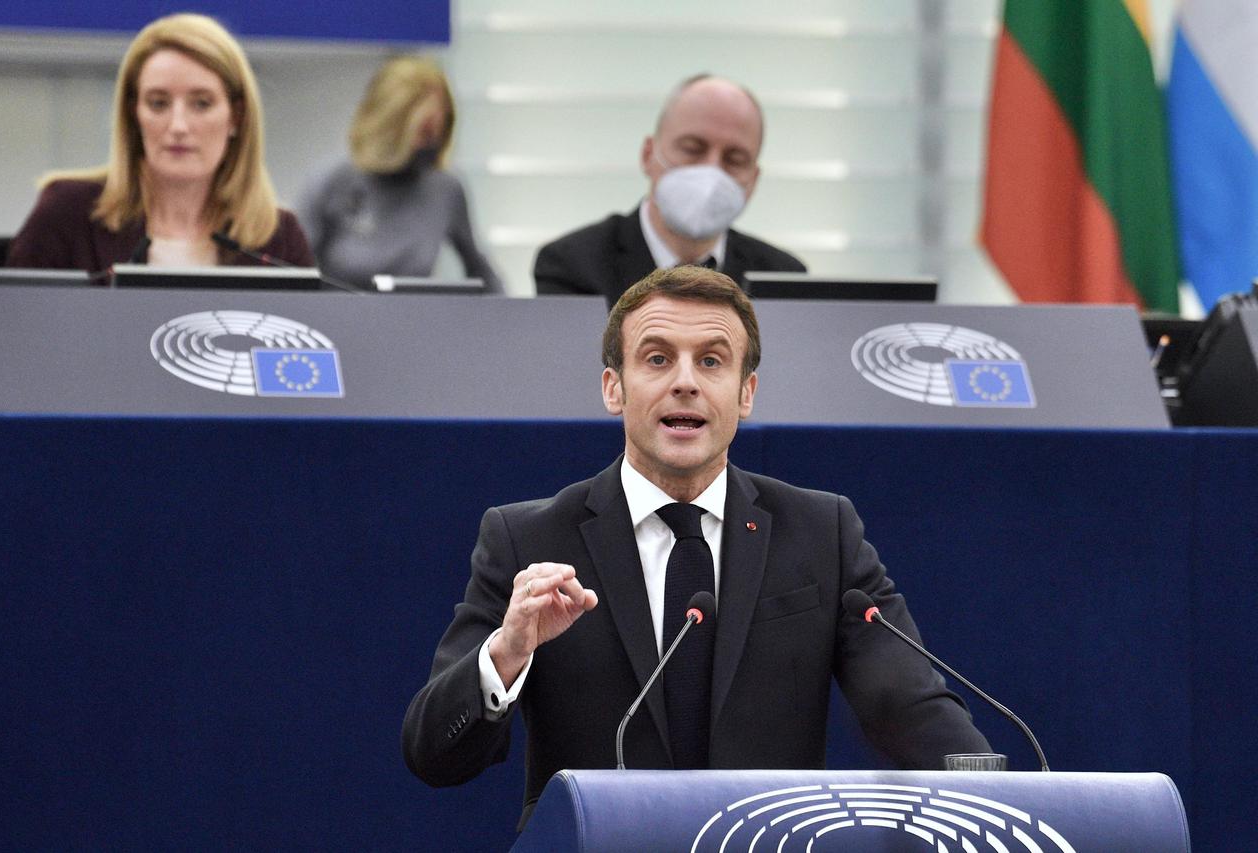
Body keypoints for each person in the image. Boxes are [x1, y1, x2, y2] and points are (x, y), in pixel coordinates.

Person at [402, 266, 991, 828]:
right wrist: (506, 653)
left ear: (745, 393)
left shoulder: (821, 531)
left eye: (711, 361)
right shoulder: (528, 539)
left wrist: (998, 797)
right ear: (614, 387)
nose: (685, 381)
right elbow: (434, 755)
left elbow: (907, 701)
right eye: (657, 359)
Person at [6, 13, 312, 274]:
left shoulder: (277, 237)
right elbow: (11, 331)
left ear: (236, 116)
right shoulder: (67, 213)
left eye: (201, 104)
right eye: (158, 103)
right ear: (133, 113)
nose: (178, 126)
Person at [533, 74, 805, 306]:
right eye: (692, 149)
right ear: (648, 154)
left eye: (734, 160)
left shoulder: (783, 279)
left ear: (754, 180)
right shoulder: (573, 266)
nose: (712, 172)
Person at [297, 56, 502, 292]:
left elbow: (483, 273)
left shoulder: (445, 189)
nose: (429, 143)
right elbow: (294, 272)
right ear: (390, 126)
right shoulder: (331, 181)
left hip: (412, 321)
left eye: (438, 130)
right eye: (424, 132)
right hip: (334, 321)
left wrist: (511, 319)